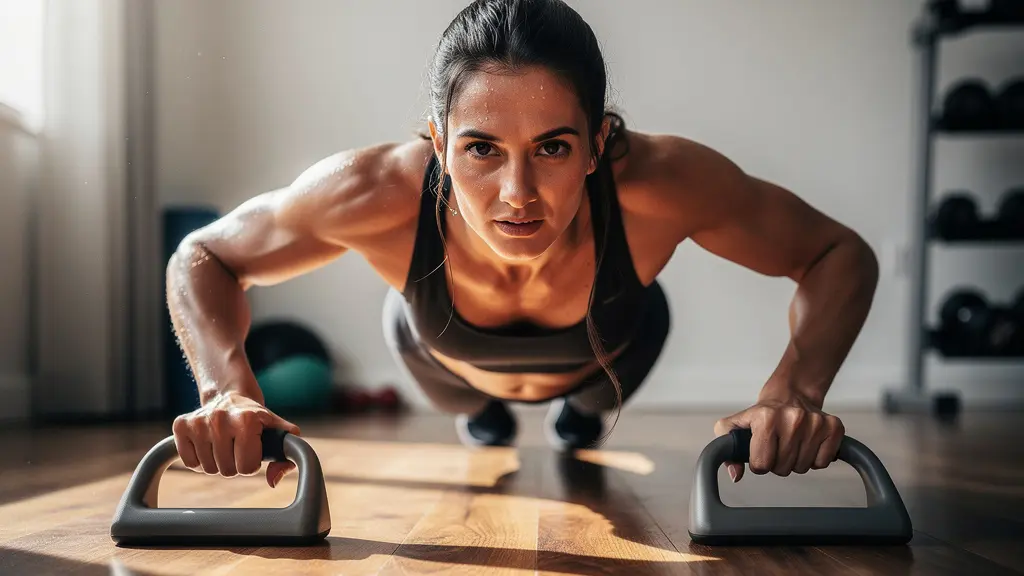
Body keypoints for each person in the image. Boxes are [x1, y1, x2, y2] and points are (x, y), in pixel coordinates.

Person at [167, 0, 879, 489]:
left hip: (609, 355)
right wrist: (225, 386)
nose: (518, 192)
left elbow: (836, 253)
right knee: (467, 398)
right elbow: (204, 255)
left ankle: (582, 416)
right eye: (481, 148)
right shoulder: (371, 190)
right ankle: (482, 415)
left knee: (595, 398)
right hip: (446, 359)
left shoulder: (662, 181)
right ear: (439, 142)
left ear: (598, 143)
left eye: (553, 146)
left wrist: (795, 390)